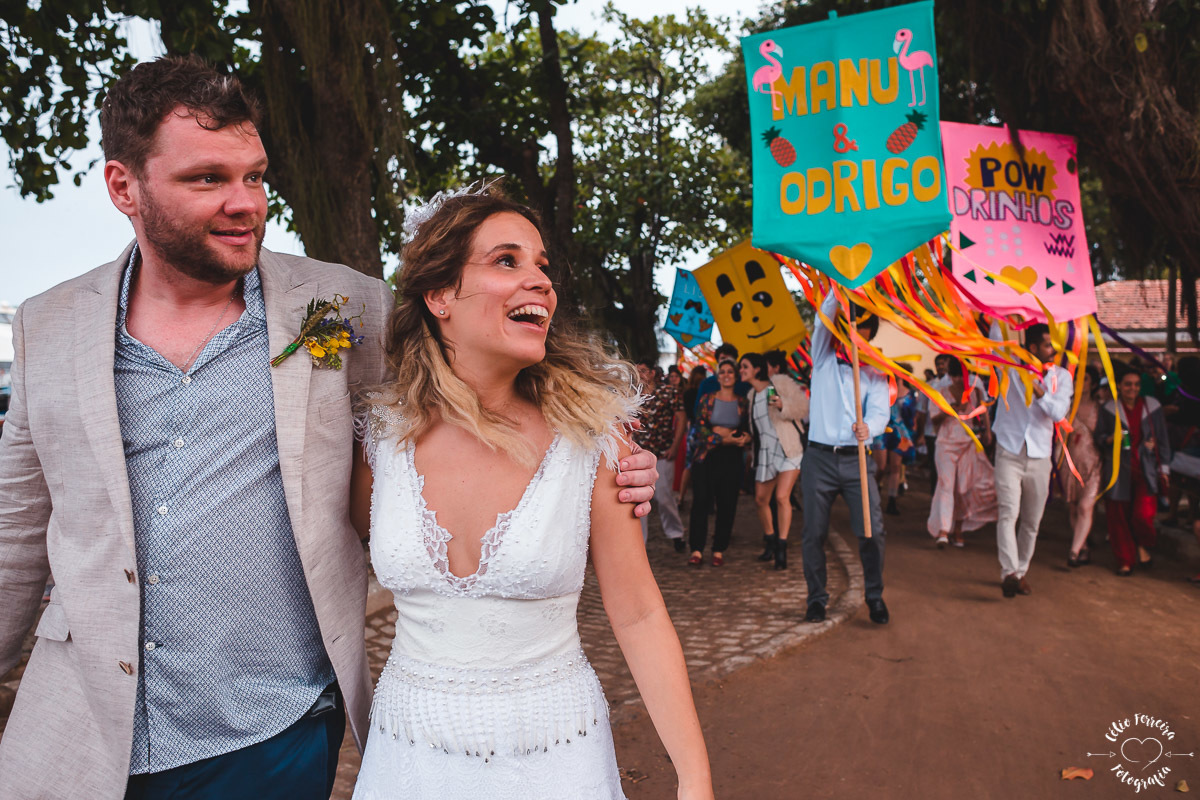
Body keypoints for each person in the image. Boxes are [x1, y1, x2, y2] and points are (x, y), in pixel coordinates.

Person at [0, 57, 661, 800]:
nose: (245, 202)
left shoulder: (347, 309)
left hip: (272, 734)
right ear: (124, 186)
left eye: (255, 175)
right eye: (208, 179)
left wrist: (607, 457)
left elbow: (483, 377)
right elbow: (17, 533)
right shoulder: (47, 325)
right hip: (83, 736)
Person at [348, 188, 711, 799]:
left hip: (556, 761)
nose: (541, 281)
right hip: (407, 761)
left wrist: (694, 779)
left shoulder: (593, 441)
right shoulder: (378, 439)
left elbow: (640, 614)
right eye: (506, 261)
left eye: (542, 265)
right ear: (438, 296)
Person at [801, 291, 890, 625]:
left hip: (857, 460)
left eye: (862, 329)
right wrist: (838, 288)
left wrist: (871, 428)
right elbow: (823, 320)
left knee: (872, 530)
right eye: (851, 326)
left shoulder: (876, 373)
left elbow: (881, 412)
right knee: (813, 532)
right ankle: (816, 599)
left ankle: (875, 596)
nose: (856, 334)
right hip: (819, 459)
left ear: (869, 334)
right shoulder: (823, 358)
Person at [990, 320, 1073, 598]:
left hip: (1040, 457)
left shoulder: (1061, 377)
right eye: (1049, 345)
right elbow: (993, 339)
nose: (1053, 350)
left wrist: (1039, 391)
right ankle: (1009, 573)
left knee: (1031, 521)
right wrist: (997, 310)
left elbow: (1059, 413)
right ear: (1034, 347)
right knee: (1007, 513)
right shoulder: (1011, 365)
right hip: (1008, 451)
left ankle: (1021, 571)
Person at [1096, 363, 1172, 576]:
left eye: (1137, 384)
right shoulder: (1109, 409)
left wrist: (1163, 466)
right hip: (1119, 470)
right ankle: (1125, 560)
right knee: (1118, 516)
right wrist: (1111, 439)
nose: (1132, 388)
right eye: (1128, 384)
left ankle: (1142, 545)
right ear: (1119, 386)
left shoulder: (1152, 406)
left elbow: (1163, 440)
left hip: (1146, 470)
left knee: (1143, 515)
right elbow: (1099, 438)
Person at [739, 352, 808, 569]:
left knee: (781, 497)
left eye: (745, 367)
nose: (741, 370)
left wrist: (782, 404)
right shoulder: (751, 396)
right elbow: (758, 428)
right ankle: (769, 539)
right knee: (761, 499)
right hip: (766, 453)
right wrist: (747, 438)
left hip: (789, 449)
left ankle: (782, 547)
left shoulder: (780, 382)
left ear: (757, 369)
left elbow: (803, 408)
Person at [925, 356, 997, 548]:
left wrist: (988, 433)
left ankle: (958, 529)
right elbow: (934, 421)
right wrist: (949, 411)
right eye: (954, 376)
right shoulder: (940, 392)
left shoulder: (975, 391)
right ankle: (943, 531)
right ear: (950, 375)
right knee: (946, 485)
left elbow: (983, 412)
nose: (957, 380)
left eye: (960, 376)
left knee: (963, 487)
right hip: (946, 444)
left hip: (967, 443)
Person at [687, 360, 751, 567]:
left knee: (727, 503)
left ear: (736, 375)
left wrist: (737, 436)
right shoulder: (707, 399)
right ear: (717, 376)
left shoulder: (743, 402)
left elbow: (746, 430)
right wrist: (726, 438)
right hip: (706, 457)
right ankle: (697, 549)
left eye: (730, 372)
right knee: (701, 502)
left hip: (732, 459)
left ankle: (719, 549)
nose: (726, 375)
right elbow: (701, 429)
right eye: (722, 372)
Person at [634, 359, 688, 551]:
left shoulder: (668, 392)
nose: (640, 374)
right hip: (640, 453)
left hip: (663, 452)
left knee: (665, 497)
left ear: (653, 373)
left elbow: (682, 419)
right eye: (637, 370)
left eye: (643, 370)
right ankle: (640, 543)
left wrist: (675, 446)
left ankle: (676, 533)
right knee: (640, 499)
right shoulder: (633, 394)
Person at [1063, 365, 1102, 567]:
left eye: (1085, 379)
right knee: (1073, 506)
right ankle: (1083, 546)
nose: (1081, 383)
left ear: (1093, 383)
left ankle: (1074, 551)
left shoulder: (1101, 408)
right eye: (1077, 378)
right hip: (1069, 463)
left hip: (1093, 464)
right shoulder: (1066, 405)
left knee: (1086, 506)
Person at [915, 354, 951, 491]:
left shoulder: (953, 383)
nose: (941, 367)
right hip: (932, 433)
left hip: (950, 433)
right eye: (938, 364)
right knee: (935, 467)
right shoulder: (929, 386)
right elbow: (922, 411)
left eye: (943, 363)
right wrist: (921, 434)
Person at [676, 365, 708, 501]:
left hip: (692, 431)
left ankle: (681, 497)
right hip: (704, 430)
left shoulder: (687, 392)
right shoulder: (705, 393)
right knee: (704, 465)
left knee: (688, 466)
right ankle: (705, 499)